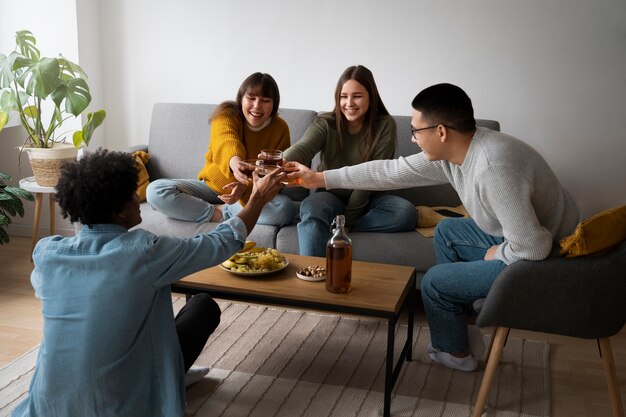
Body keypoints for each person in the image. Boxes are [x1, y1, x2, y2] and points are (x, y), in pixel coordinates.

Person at [284, 83, 581, 371]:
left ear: (441, 131)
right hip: (527, 238)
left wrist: (498, 252)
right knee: (448, 232)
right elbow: (390, 172)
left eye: (415, 131)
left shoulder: (493, 168)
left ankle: (454, 353)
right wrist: (320, 179)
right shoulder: (457, 151)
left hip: (549, 255)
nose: (412, 138)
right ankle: (461, 335)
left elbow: (534, 247)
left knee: (434, 281)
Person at [12, 149, 286, 417]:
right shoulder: (144, 253)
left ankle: (173, 372)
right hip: (126, 406)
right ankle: (170, 377)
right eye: (133, 194)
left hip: (48, 408)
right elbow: (222, 241)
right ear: (119, 211)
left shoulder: (47, 254)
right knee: (203, 307)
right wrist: (258, 198)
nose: (138, 198)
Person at [283, 65, 416, 256]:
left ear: (371, 97)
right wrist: (279, 161)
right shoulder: (325, 122)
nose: (349, 102)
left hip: (369, 197)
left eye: (357, 96)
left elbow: (372, 176)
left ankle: (332, 225)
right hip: (330, 195)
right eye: (343, 96)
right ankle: (311, 276)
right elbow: (303, 148)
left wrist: (349, 220)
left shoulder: (385, 125)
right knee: (312, 207)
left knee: (405, 212)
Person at [146, 72, 296, 227]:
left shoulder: (280, 127)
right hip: (211, 187)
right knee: (155, 190)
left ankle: (216, 210)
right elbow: (226, 140)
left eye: (265, 100)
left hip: (251, 194)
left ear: (274, 104)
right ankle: (218, 213)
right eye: (251, 98)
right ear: (241, 99)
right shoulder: (226, 114)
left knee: (284, 209)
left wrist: (244, 187)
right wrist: (235, 163)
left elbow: (274, 174)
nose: (257, 106)